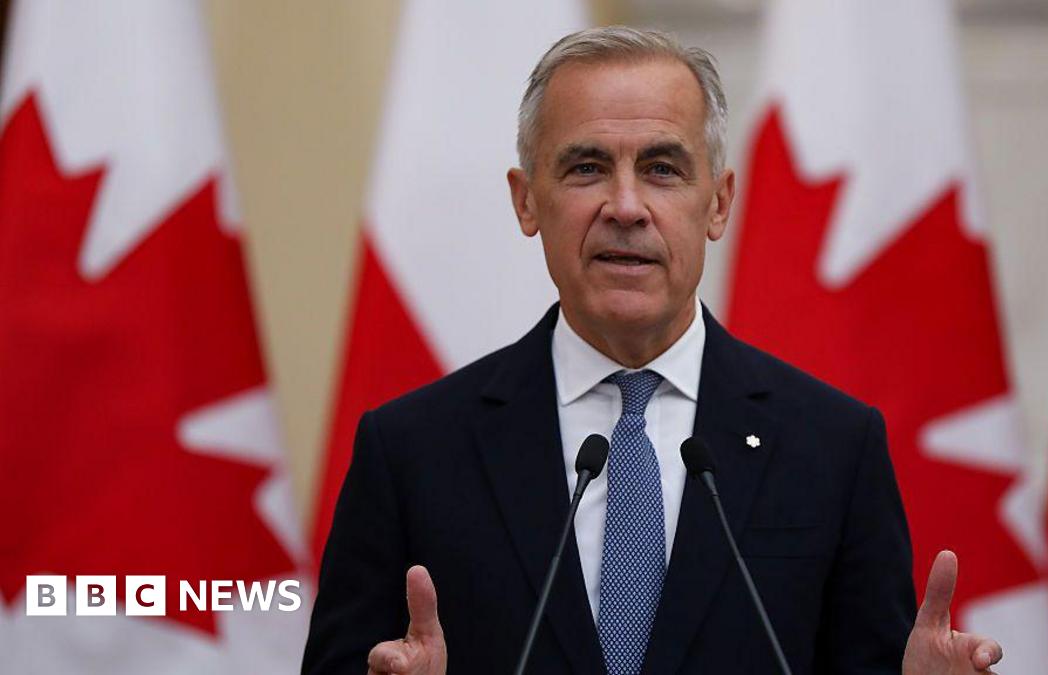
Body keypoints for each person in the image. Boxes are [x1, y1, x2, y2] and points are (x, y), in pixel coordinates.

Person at [302, 27, 1004, 675]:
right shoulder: (411, 450)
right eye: (586, 168)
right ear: (526, 202)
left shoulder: (832, 445)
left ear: (719, 203)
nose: (627, 206)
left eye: (663, 168)